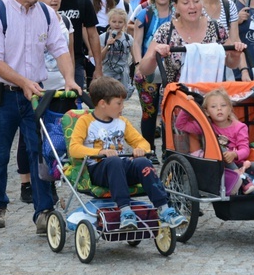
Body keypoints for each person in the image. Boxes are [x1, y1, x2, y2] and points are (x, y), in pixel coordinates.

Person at [0, 0, 80, 233]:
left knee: (41, 152)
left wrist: (69, 78)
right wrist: (22, 81)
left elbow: (60, 49)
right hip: (1, 94)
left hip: (36, 95)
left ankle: (44, 211)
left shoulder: (46, 13)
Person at [68, 76, 188, 230]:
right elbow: (74, 148)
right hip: (99, 171)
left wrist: (141, 149)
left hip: (120, 168)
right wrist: (100, 151)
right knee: (114, 161)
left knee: (143, 162)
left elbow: (142, 142)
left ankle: (165, 209)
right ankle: (125, 211)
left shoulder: (122, 122)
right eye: (119, 103)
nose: (122, 107)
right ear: (103, 104)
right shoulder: (85, 122)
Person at [174, 88, 254, 195]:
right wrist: (188, 106)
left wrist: (234, 154)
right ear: (206, 112)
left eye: (223, 106)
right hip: (216, 168)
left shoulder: (239, 127)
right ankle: (243, 179)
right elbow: (180, 125)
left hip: (239, 165)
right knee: (218, 147)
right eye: (214, 106)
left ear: (229, 108)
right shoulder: (206, 126)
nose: (219, 109)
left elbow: (245, 150)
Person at [139, 0, 245, 87]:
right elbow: (144, 69)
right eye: (185, 3)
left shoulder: (216, 28)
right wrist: (154, 56)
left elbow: (231, 64)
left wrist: (236, 55)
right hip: (177, 98)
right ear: (176, 6)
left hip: (211, 97)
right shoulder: (166, 31)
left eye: (196, 1)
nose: (192, 6)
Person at [132, 0, 174, 153]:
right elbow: (136, 42)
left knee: (169, 113)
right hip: (147, 69)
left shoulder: (178, 14)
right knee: (149, 113)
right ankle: (148, 150)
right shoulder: (144, 14)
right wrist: (138, 64)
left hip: (172, 70)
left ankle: (168, 150)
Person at [54, 0, 103, 88]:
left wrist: (98, 67)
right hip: (49, 61)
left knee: (74, 105)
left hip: (76, 60)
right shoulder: (47, 1)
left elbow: (93, 35)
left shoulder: (83, 1)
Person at [99, 8, 134, 98]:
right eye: (114, 21)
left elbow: (135, 56)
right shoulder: (104, 37)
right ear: (109, 22)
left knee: (121, 96)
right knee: (108, 96)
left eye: (120, 22)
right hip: (107, 72)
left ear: (124, 23)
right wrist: (107, 46)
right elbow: (99, 58)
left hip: (123, 72)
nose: (117, 24)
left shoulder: (128, 38)